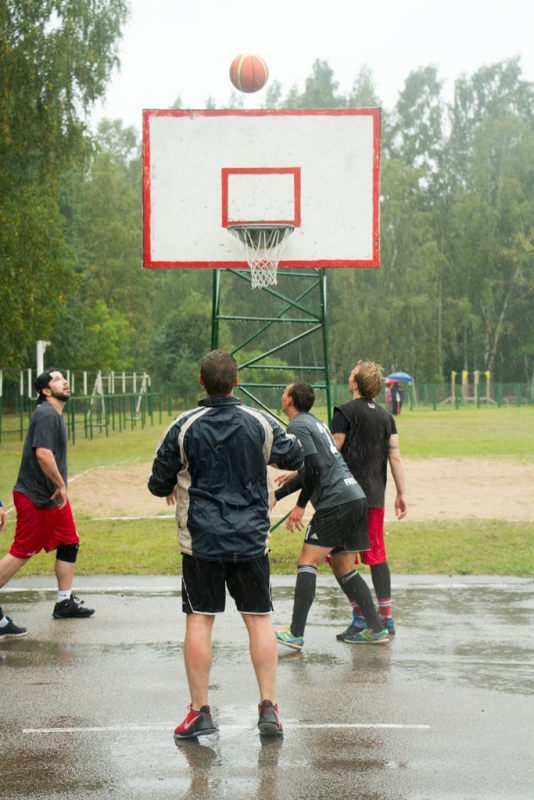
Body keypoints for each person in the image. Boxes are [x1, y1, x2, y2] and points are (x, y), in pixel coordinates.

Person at [148, 350, 304, 739]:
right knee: (259, 619)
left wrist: (173, 481)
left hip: (202, 541)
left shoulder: (183, 425)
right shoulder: (259, 421)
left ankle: (201, 711)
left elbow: (156, 482)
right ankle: (268, 708)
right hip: (251, 538)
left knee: (200, 619)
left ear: (201, 381)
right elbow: (295, 453)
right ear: (236, 382)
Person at [273, 381, 390, 651]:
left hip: (336, 502)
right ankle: (376, 628)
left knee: (307, 561)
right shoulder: (315, 423)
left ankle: (295, 632)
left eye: (284, 391)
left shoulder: (297, 426)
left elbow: (312, 467)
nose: (282, 394)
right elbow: (313, 468)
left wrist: (300, 505)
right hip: (354, 496)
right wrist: (277, 497)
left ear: (290, 400)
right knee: (342, 566)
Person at [0, 370, 94, 639]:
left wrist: (59, 488)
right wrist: (61, 484)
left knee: (69, 541)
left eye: (64, 377)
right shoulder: (46, 414)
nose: (64, 381)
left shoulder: (54, 414)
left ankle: (64, 602)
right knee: (22, 551)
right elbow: (42, 453)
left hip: (52, 498)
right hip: (36, 497)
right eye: (56, 380)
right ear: (46, 391)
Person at [330, 360, 408, 642]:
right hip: (375, 497)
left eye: (351, 375)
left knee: (339, 557)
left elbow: (332, 452)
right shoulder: (387, 417)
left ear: (355, 384)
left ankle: (361, 618)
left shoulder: (344, 412)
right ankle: (386, 617)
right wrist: (401, 493)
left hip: (348, 497)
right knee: (377, 555)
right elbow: (395, 457)